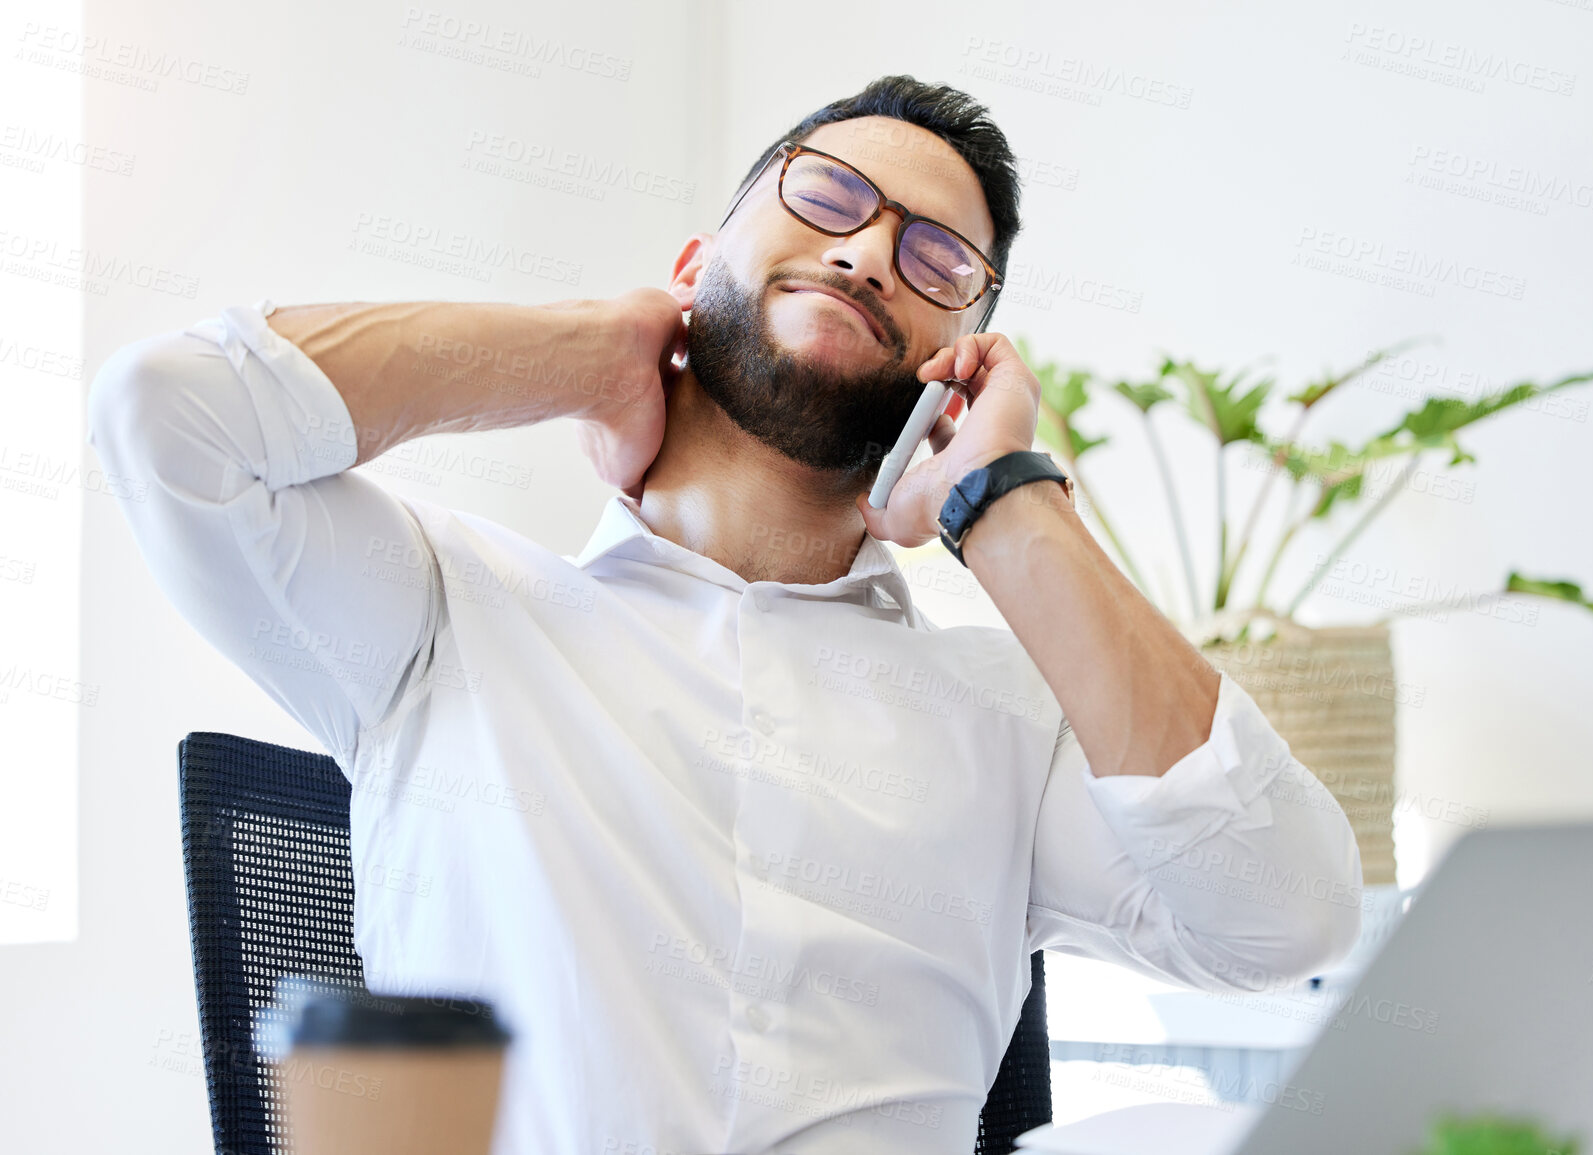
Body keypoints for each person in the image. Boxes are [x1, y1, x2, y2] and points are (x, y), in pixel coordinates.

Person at [88, 75, 1362, 1155]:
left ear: (957, 372)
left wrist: (1004, 499)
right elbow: (169, 417)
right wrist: (590, 347)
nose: (869, 253)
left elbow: (1284, 916)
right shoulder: (442, 613)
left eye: (938, 261)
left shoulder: (1008, 719)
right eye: (826, 199)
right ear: (697, 269)